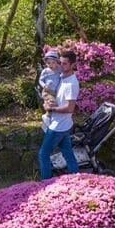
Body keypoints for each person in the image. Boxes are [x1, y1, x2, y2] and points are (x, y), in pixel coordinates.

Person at [38, 50, 80, 180]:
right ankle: (76, 179)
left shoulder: (72, 83)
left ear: (72, 64)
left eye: (65, 64)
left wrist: (53, 109)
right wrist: (48, 104)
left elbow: (69, 108)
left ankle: (46, 184)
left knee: (43, 154)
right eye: (60, 63)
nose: (61, 66)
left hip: (58, 126)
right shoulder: (61, 77)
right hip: (63, 124)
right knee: (67, 153)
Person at [38, 50, 61, 133]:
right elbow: (40, 80)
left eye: (53, 62)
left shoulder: (59, 69)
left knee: (54, 105)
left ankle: (46, 124)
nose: (51, 65)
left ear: (57, 62)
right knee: (51, 102)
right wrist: (44, 85)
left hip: (55, 92)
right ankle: (46, 116)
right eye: (49, 63)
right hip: (47, 91)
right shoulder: (45, 71)